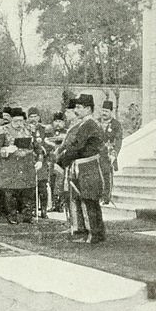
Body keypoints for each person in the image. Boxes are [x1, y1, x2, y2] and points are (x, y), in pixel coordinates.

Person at [56, 95, 106, 243]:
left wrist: (61, 162)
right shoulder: (87, 124)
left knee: (88, 200)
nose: (76, 110)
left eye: (79, 107)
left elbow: (77, 147)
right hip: (87, 166)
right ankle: (97, 233)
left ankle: (93, 235)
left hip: (87, 167)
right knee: (90, 200)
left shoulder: (88, 125)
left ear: (88, 109)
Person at [0, 108, 42, 224]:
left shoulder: (30, 129)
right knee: (10, 193)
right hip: (10, 166)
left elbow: (37, 147)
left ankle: (28, 215)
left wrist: (40, 160)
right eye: (16, 121)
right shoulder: (2, 130)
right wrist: (6, 149)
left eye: (21, 121)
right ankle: (12, 215)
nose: (19, 124)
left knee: (28, 191)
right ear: (11, 119)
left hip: (26, 165)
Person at [98, 100, 123, 204]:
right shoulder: (97, 122)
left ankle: (106, 197)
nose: (104, 113)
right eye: (103, 111)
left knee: (107, 175)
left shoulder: (116, 124)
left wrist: (114, 154)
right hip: (97, 152)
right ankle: (98, 196)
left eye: (106, 111)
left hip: (108, 153)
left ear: (111, 112)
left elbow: (118, 139)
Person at [27, 107, 49, 218]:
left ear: (39, 117)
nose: (33, 119)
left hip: (42, 161)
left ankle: (44, 210)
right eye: (30, 117)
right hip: (29, 161)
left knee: (42, 186)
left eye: (35, 116)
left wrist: (43, 150)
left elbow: (49, 144)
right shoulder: (25, 129)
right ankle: (33, 209)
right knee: (31, 187)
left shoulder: (44, 129)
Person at [44, 111, 67, 213]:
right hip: (50, 161)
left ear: (64, 123)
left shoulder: (66, 132)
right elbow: (45, 145)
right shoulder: (48, 133)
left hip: (62, 162)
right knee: (51, 183)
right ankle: (52, 204)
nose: (58, 123)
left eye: (60, 121)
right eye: (56, 121)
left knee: (61, 183)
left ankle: (60, 204)